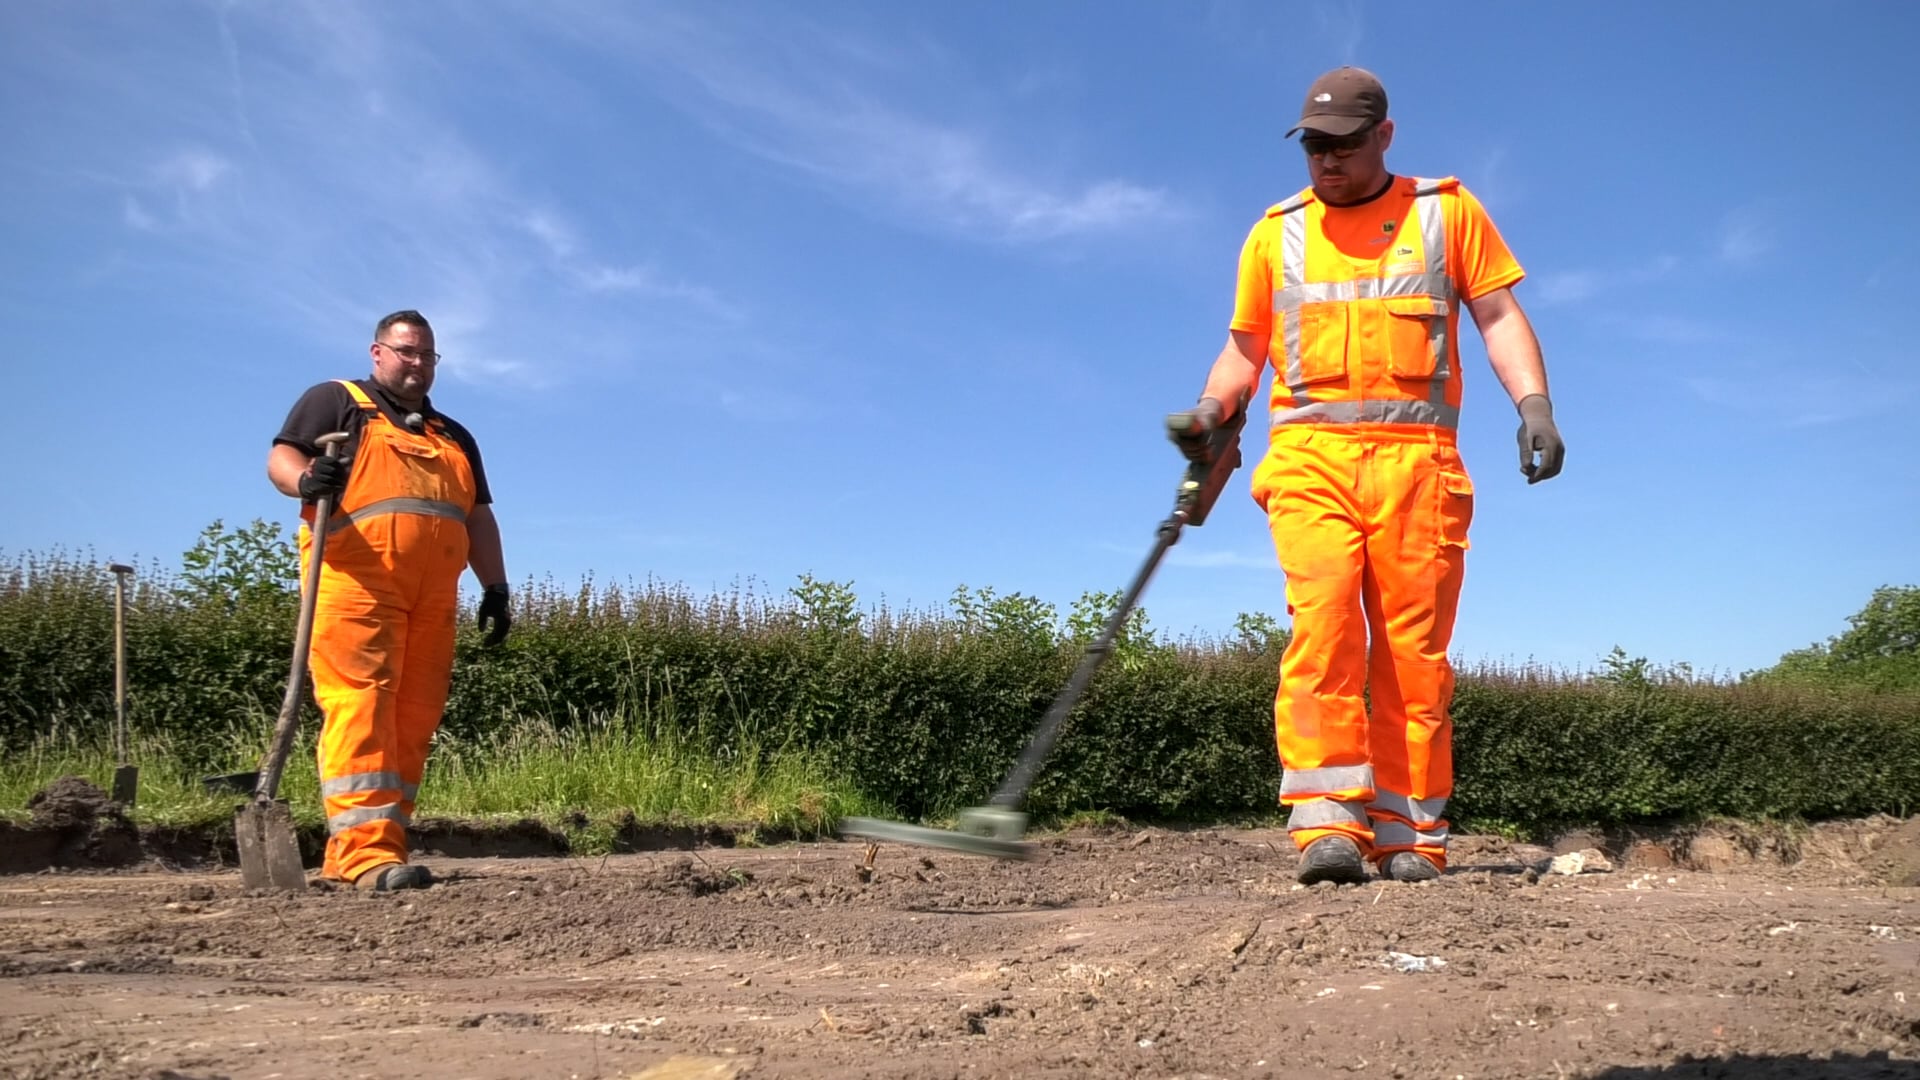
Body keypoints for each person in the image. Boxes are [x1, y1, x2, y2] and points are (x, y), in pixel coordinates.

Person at [1170, 67, 1565, 885]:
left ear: (1384, 136)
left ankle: (1410, 835)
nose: (1327, 161)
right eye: (1315, 145)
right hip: (1311, 460)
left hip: (1418, 469)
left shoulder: (1446, 214)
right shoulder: (1272, 233)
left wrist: (1534, 405)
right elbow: (1246, 346)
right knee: (1325, 632)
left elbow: (1496, 314)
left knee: (1413, 656)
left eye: (1345, 144)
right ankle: (1327, 825)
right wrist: (1212, 409)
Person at [267, 309, 514, 891]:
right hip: (356, 586)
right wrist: (306, 480)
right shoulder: (337, 402)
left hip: (433, 599)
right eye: (407, 352)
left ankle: (371, 848)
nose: (418, 364)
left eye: (428, 355)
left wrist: (495, 587)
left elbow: (477, 516)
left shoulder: (453, 435)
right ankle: (366, 857)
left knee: (413, 721)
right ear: (378, 353)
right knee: (363, 707)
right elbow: (282, 458)